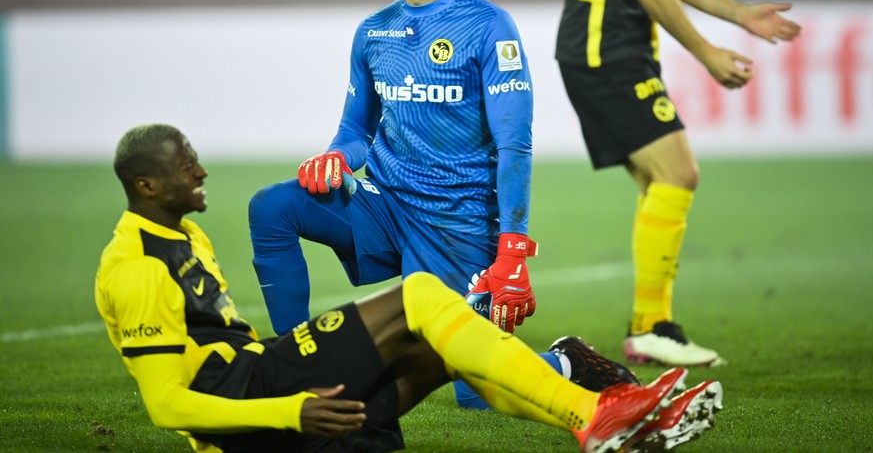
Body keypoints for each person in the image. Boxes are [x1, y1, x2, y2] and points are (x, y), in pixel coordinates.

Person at [95, 123, 723, 453]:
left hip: (265, 388)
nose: (201, 171)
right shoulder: (138, 267)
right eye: (185, 167)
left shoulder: (183, 237)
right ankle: (595, 413)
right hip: (257, 404)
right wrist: (290, 409)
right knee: (421, 296)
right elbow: (167, 407)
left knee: (444, 352)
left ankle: (617, 429)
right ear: (147, 187)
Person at [248, 0, 548, 409]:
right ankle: (290, 363)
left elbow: (514, 146)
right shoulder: (373, 32)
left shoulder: (488, 26)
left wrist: (513, 249)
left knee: (475, 392)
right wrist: (336, 159)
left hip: (459, 227)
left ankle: (568, 362)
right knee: (272, 208)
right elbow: (355, 132)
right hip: (385, 208)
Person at [554, 0, 802, 367]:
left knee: (661, 182)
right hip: (601, 45)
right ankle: (651, 326)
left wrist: (740, 14)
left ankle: (651, 326)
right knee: (677, 171)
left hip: (623, 45)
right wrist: (705, 51)